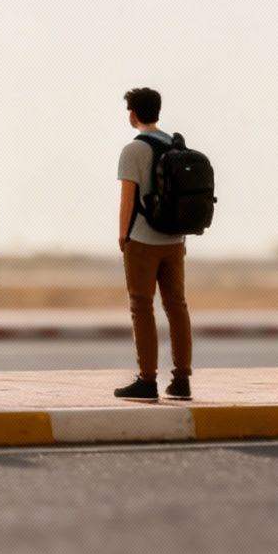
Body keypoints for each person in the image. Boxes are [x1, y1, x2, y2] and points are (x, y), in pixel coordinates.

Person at [114, 87, 192, 401]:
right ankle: (182, 380)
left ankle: (147, 379)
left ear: (133, 114)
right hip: (175, 240)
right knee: (177, 307)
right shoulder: (175, 145)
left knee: (142, 308)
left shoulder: (134, 150)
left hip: (143, 240)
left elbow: (127, 199)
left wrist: (123, 235)